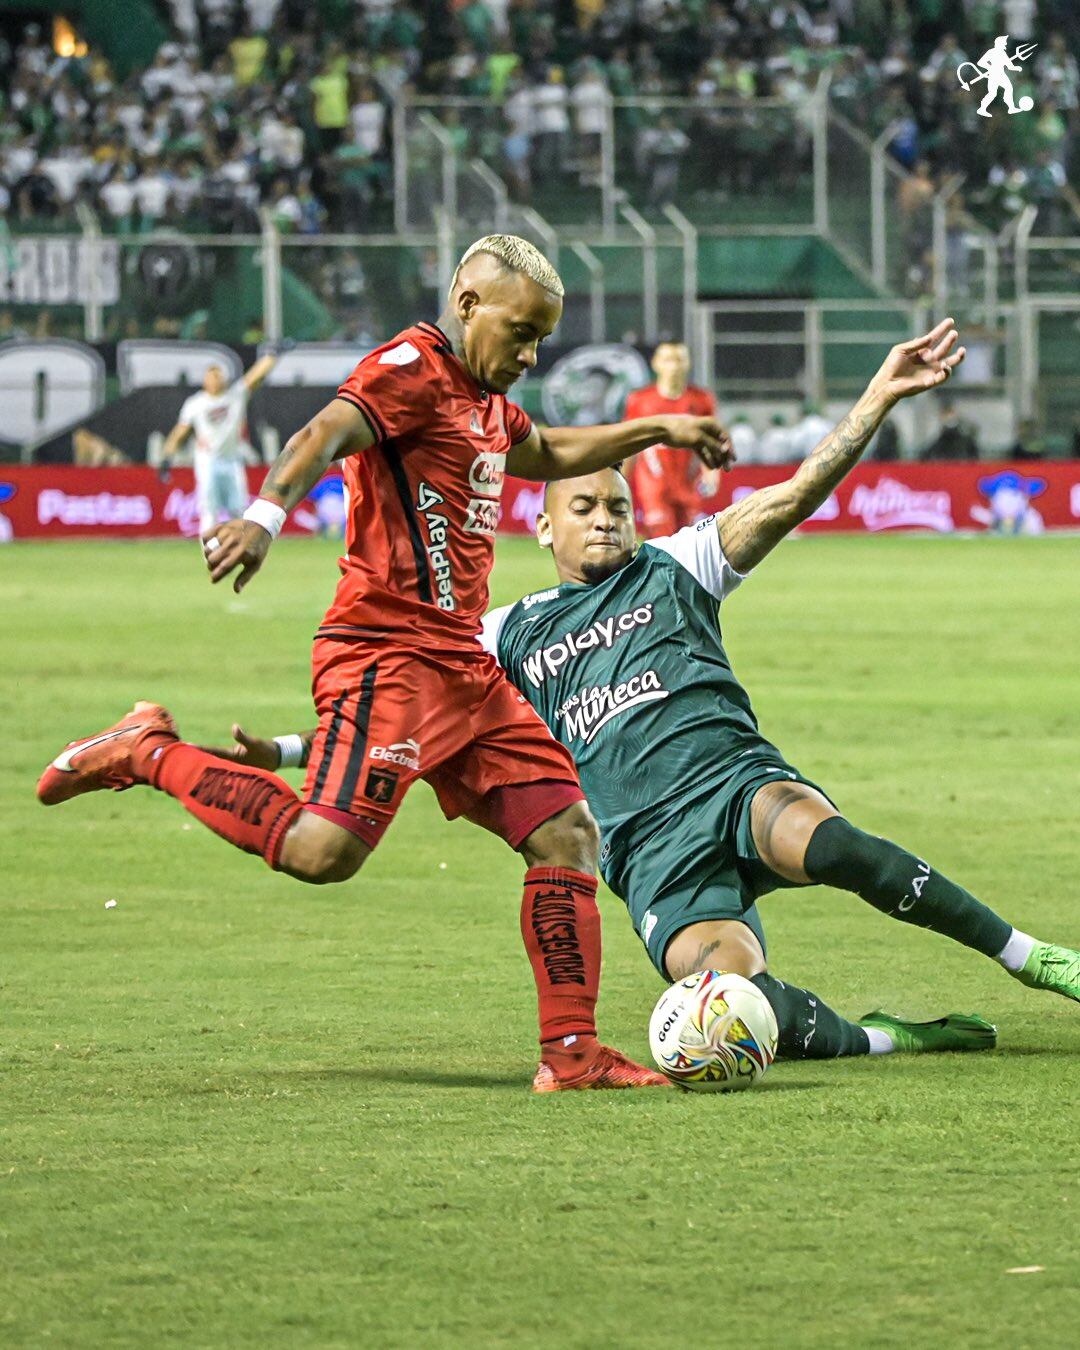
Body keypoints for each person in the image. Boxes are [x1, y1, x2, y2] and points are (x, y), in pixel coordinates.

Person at [224, 317, 1080, 1059]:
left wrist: (878, 399)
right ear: (542, 523)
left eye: (618, 507)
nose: (607, 519)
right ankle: (890, 1037)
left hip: (732, 785)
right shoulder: (503, 633)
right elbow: (409, 716)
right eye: (587, 507)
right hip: (647, 855)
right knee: (729, 1009)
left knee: (833, 843)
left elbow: (793, 495)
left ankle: (1029, 955)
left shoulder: (677, 566)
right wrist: (294, 749)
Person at [36, 235, 730, 1093]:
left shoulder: (485, 403)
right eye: (519, 333)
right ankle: (148, 749)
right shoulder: (411, 368)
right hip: (387, 654)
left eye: (540, 340)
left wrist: (661, 425)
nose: (529, 354)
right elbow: (325, 430)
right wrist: (264, 513)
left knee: (566, 832)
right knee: (322, 851)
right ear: (468, 302)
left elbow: (545, 454)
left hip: (464, 668)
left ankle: (572, 1053)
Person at [159, 352, 280, 536]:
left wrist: (273, 355)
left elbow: (254, 375)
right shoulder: (196, 403)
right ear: (205, 381)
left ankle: (238, 548)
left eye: (218, 376)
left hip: (232, 459)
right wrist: (167, 457)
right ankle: (210, 551)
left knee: (239, 509)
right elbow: (180, 432)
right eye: (211, 376)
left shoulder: (235, 395)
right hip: (208, 460)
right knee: (209, 509)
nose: (215, 380)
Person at [624, 342, 717, 536]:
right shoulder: (639, 401)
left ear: (688, 363)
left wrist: (711, 474)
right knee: (662, 544)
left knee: (688, 546)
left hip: (688, 484)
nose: (673, 366)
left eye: (679, 360)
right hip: (654, 486)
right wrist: (622, 480)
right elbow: (629, 444)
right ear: (656, 364)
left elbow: (710, 442)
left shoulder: (701, 400)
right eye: (667, 360)